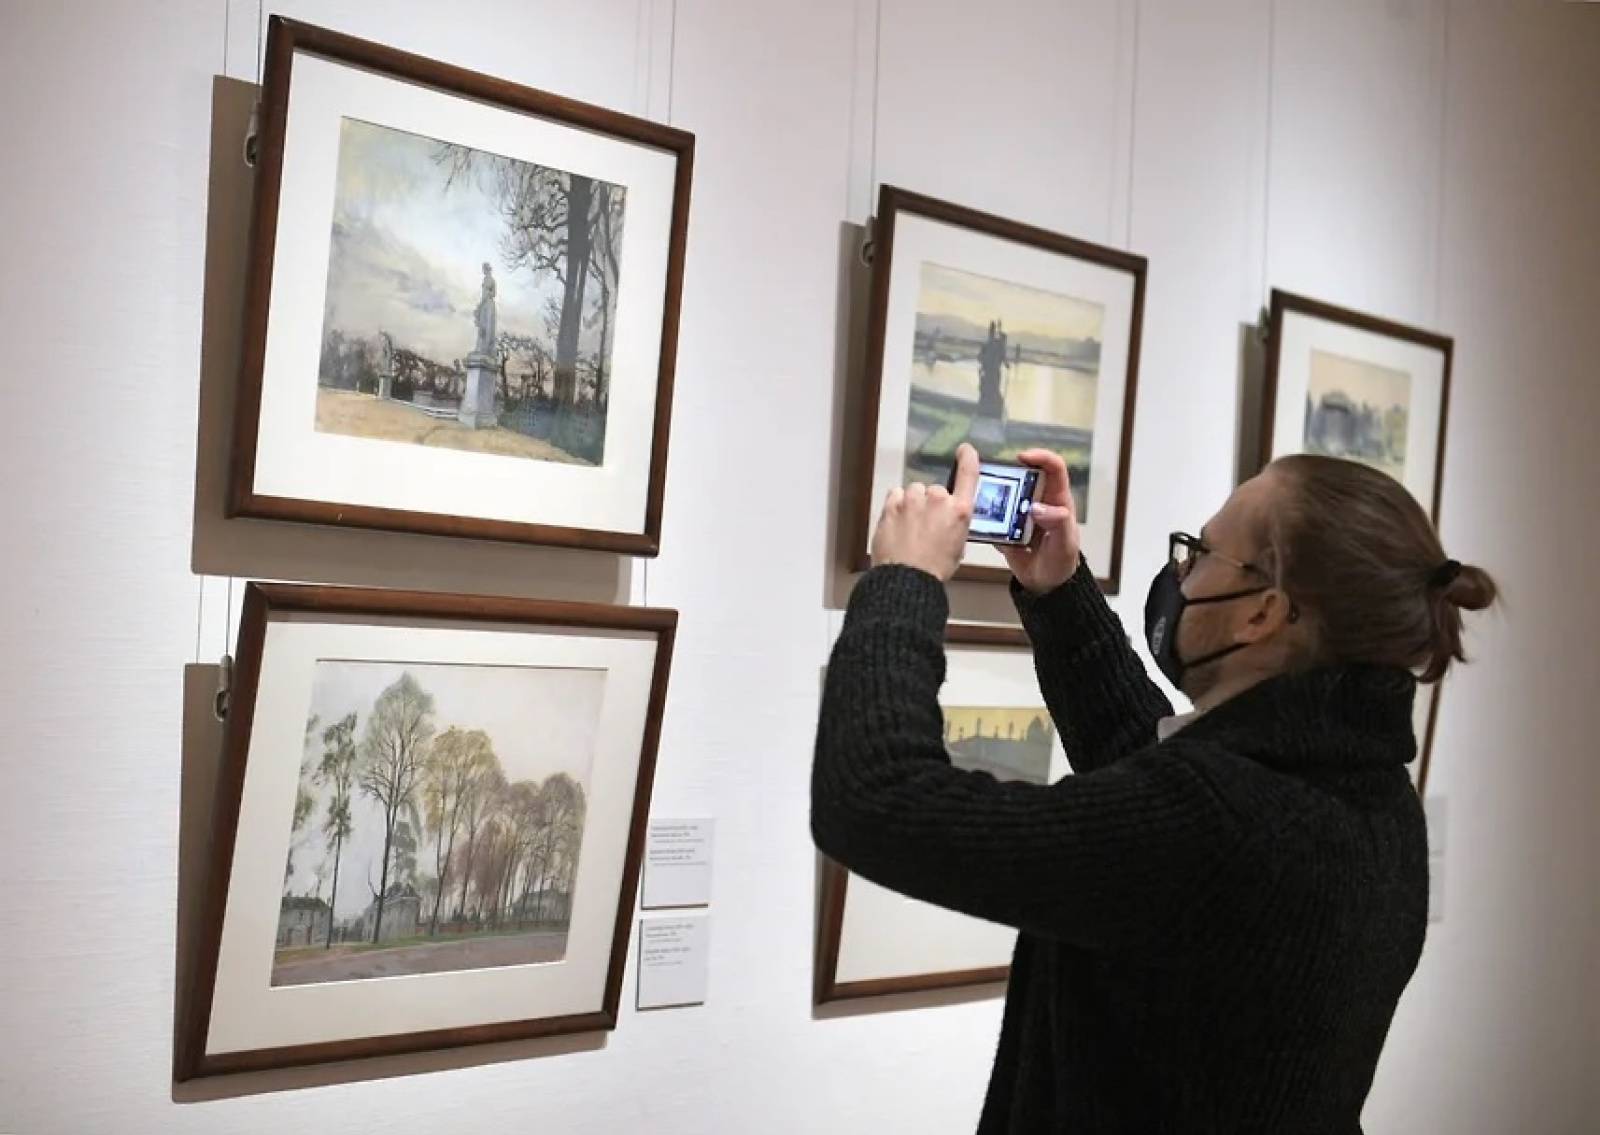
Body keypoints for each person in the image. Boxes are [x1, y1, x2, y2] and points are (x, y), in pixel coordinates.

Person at [810, 442, 1498, 1133]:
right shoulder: (1371, 798)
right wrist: (1060, 590)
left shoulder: (1222, 819)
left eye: (1200, 553)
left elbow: (877, 800)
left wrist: (905, 581)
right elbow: (1153, 791)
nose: (1183, 572)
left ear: (1264, 612)